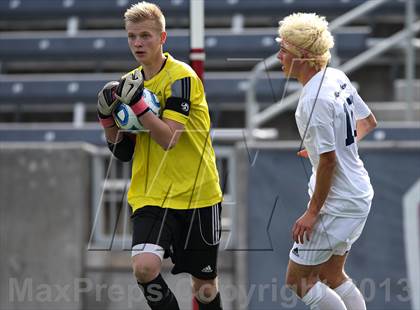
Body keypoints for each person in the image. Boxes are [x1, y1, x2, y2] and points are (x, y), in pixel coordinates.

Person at [96, 2, 223, 309]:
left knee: (204, 289)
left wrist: (139, 107)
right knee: (144, 268)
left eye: (145, 36)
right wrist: (107, 122)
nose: (138, 43)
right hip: (150, 195)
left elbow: (169, 139)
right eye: (132, 36)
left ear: (162, 37)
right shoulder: (128, 84)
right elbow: (123, 151)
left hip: (197, 195)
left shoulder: (183, 78)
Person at [276, 13, 377, 310]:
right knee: (332, 274)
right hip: (358, 193)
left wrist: (312, 211)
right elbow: (368, 122)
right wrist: (324, 149)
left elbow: (330, 163)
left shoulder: (311, 100)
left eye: (286, 50)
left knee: (298, 281)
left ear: (304, 57)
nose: (279, 56)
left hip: (339, 201)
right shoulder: (335, 76)